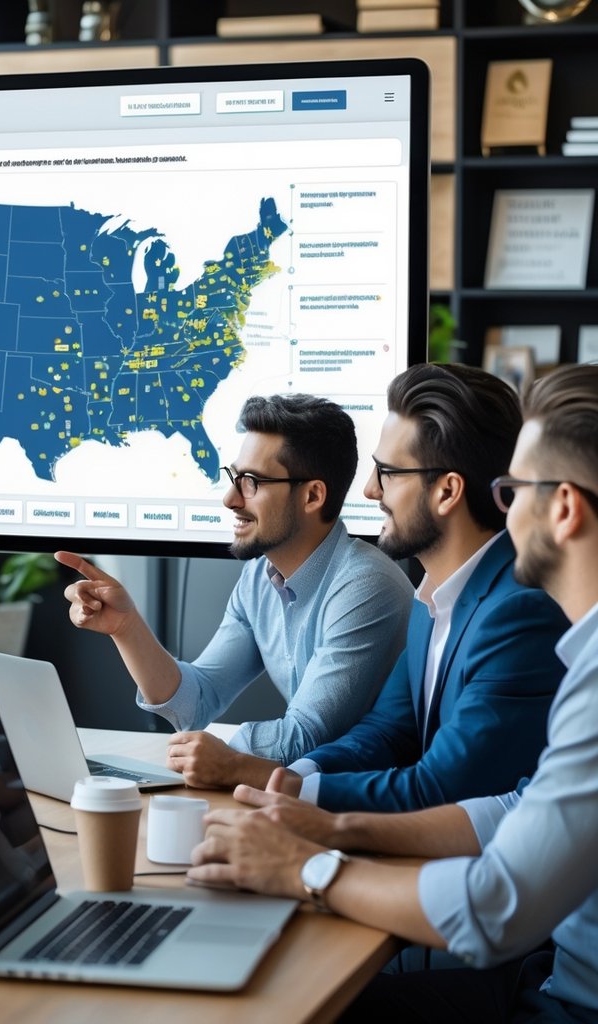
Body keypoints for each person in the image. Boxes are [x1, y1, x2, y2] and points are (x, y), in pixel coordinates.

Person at [189, 363, 598, 1023]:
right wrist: (316, 811)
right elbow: (513, 802)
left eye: (514, 489)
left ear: (564, 508)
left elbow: (494, 906)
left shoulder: (543, 630)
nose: (371, 489)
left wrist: (308, 868)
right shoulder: (443, 600)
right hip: (547, 974)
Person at [214, 363, 567, 811]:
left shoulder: (518, 613)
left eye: (388, 472)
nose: (368, 490)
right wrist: (294, 776)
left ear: (446, 492)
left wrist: (296, 795)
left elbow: (442, 786)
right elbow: (385, 731)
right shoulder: (431, 598)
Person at [57, 393, 413, 773]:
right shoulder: (259, 578)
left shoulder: (366, 586)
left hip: (365, 806)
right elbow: (196, 702)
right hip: (303, 795)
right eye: (233, 477)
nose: (230, 498)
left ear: (312, 495)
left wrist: (222, 755)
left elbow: (306, 738)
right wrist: (125, 627)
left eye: (252, 482)